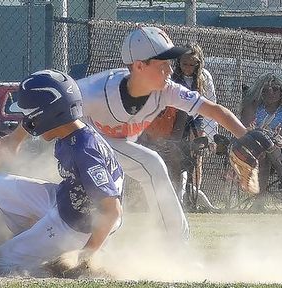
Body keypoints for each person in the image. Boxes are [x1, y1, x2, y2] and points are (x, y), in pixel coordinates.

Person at [76, 26, 247, 239]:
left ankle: (172, 248)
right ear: (139, 66)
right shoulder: (95, 91)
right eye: (162, 64)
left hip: (115, 148)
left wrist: (245, 135)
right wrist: (20, 140)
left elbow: (212, 109)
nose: (169, 70)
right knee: (150, 165)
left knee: (114, 212)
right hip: (81, 143)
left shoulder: (167, 90)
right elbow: (51, 103)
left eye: (169, 63)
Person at [0, 69, 124, 274]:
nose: (28, 121)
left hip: (75, 226)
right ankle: (36, 240)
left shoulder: (84, 150)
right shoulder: (69, 129)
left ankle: (46, 257)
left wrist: (86, 254)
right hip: (67, 201)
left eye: (30, 115)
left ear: (48, 115)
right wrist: (13, 140)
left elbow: (112, 211)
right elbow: (42, 115)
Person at [139, 42, 217, 211]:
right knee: (175, 158)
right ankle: (174, 196)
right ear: (179, 62)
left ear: (198, 63)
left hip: (196, 119)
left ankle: (192, 197)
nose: (188, 68)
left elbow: (211, 105)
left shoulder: (204, 77)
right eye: (184, 64)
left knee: (196, 159)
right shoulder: (172, 76)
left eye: (192, 64)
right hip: (174, 119)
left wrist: (210, 137)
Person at [240, 73, 282, 211]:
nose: (271, 93)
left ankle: (259, 201)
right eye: (265, 90)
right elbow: (245, 128)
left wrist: (267, 131)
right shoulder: (253, 107)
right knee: (264, 145)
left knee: (267, 144)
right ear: (260, 92)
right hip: (254, 148)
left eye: (275, 89)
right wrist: (266, 132)